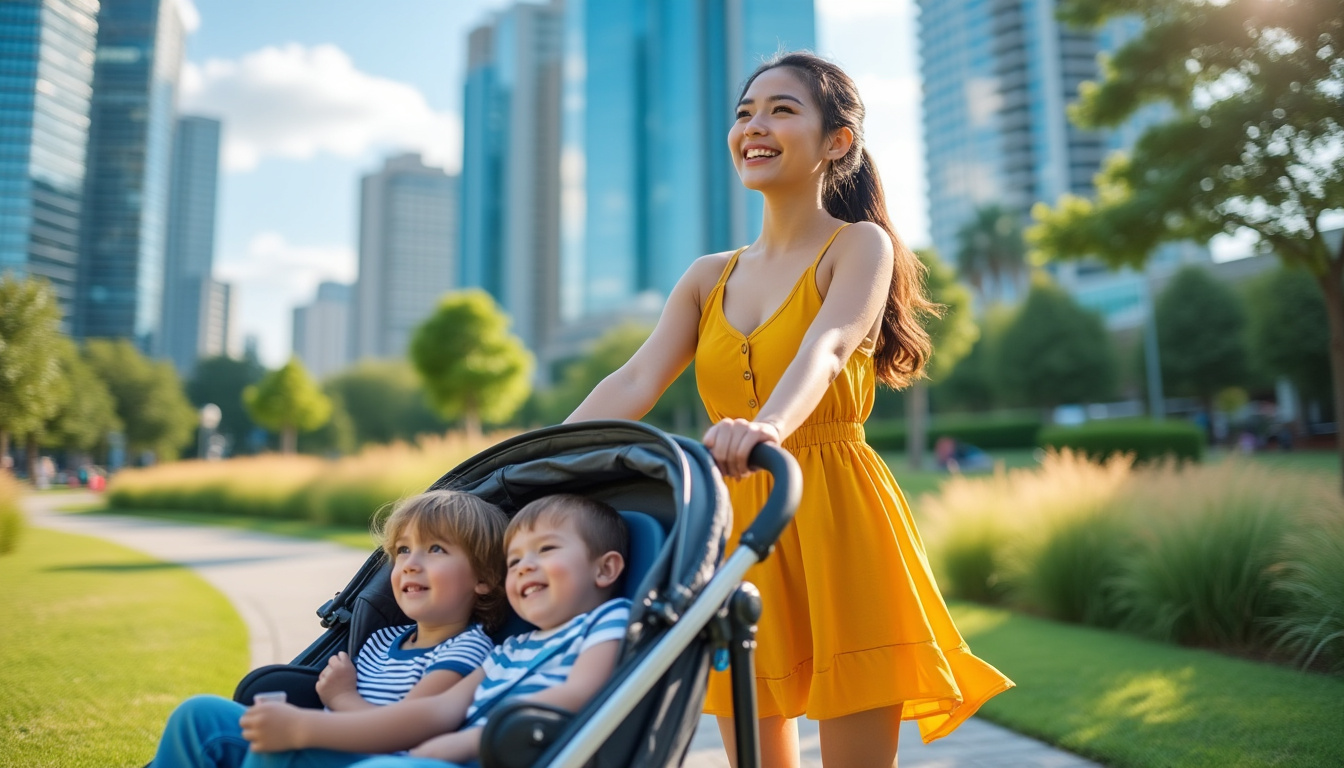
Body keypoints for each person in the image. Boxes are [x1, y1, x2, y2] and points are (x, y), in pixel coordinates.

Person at [564, 51, 1014, 768]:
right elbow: (635, 378)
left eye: (781, 109)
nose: (754, 125)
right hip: (738, 523)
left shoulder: (859, 246)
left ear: (838, 141)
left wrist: (768, 426)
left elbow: (830, 345)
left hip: (837, 514)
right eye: (744, 112)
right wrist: (533, 464)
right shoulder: (708, 276)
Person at [235, 494, 631, 768]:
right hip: (443, 753)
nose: (525, 566)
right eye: (514, 560)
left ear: (605, 569)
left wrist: (463, 742)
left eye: (545, 550)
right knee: (200, 714)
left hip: (497, 752)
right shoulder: (511, 649)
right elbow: (439, 710)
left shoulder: (609, 619)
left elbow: (577, 695)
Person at [148, 490, 509, 768]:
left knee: (279, 745)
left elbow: (403, 732)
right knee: (198, 716)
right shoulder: (381, 639)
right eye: (402, 550)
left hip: (373, 759)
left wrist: (341, 699)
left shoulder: (464, 651)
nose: (411, 564)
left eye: (435, 549)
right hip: (323, 746)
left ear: (484, 578)